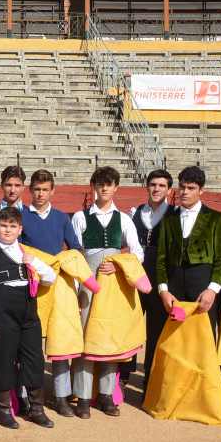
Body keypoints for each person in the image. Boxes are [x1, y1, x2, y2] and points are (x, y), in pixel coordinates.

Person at [69, 166, 144, 418]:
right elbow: (75, 253)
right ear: (93, 187)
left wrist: (119, 263)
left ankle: (105, 394)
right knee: (85, 338)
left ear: (116, 188)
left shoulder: (124, 219)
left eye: (109, 184)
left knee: (110, 337)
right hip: (87, 283)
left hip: (114, 286)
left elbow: (138, 252)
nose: (104, 188)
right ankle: (82, 395)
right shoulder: (80, 217)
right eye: (100, 184)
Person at [0, 206, 56, 429]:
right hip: (1, 309)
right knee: (3, 358)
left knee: (34, 358)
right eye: (3, 226)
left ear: (20, 229)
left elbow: (50, 277)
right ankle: (3, 410)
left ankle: (36, 409)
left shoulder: (25, 252)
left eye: (12, 227)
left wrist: (33, 262)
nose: (7, 230)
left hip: (28, 310)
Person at [18, 168, 81, 415]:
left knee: (60, 342)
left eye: (45, 190)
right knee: (27, 344)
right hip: (30, 285)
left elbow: (74, 249)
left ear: (52, 191)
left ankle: (61, 396)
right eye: (36, 189)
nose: (41, 194)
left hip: (57, 286)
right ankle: (24, 395)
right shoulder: (22, 215)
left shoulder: (62, 217)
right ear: (30, 190)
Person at [155, 166, 221, 334]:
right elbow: (161, 259)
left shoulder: (215, 218)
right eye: (182, 187)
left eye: (191, 188)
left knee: (203, 336)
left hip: (202, 284)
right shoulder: (168, 219)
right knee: (175, 338)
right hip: (174, 285)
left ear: (201, 190)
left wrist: (212, 290)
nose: (185, 192)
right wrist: (163, 290)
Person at [129, 168, 172, 387]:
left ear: (169, 190)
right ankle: (124, 374)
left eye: (161, 185)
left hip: (160, 278)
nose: (156, 189)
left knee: (156, 329)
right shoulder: (134, 212)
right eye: (153, 184)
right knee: (131, 326)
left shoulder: (174, 214)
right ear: (147, 186)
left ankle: (150, 377)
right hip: (136, 276)